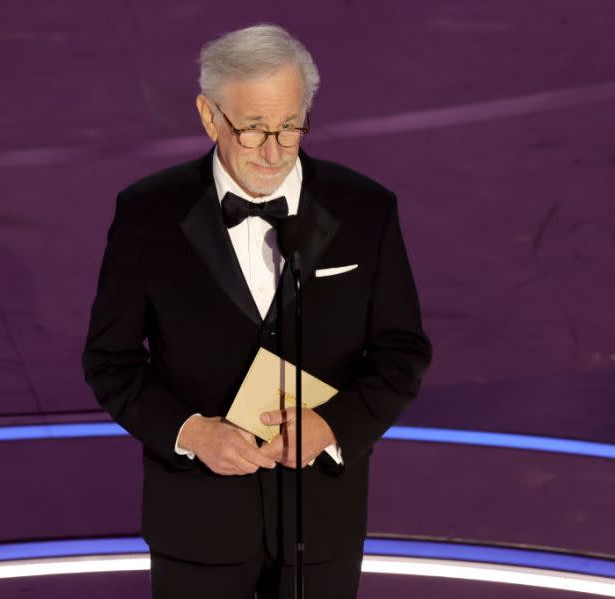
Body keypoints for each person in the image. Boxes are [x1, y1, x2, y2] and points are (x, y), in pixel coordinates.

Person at [82, 24, 431, 599]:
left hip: (322, 523)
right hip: (196, 524)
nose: (273, 151)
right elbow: (110, 361)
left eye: (290, 126)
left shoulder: (367, 210)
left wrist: (334, 427)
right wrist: (191, 433)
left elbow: (402, 352)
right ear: (208, 115)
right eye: (251, 130)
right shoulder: (147, 215)